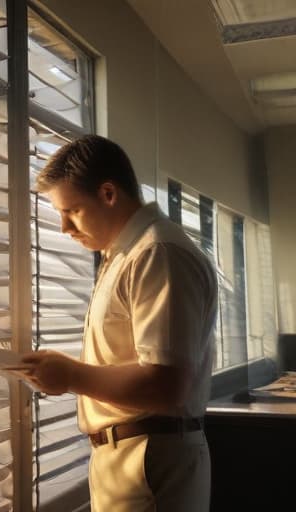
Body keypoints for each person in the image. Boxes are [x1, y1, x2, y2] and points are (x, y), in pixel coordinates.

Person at [20, 135, 218, 511]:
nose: (64, 227)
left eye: (72, 210)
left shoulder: (157, 253)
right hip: (132, 455)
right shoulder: (125, 256)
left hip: (148, 459)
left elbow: (167, 383)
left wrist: (70, 375)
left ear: (108, 193)